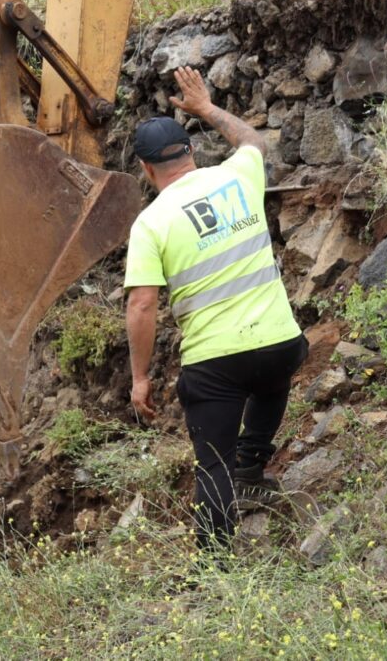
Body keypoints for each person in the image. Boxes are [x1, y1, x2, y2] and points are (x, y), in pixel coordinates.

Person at [124, 67, 308, 550]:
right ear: (191, 151)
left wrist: (140, 377)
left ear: (146, 169)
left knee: (213, 465)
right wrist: (206, 109)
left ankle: (216, 568)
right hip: (280, 344)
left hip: (216, 365)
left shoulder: (151, 223)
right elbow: (252, 141)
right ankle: (254, 464)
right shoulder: (238, 175)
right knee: (275, 369)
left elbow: (142, 304)